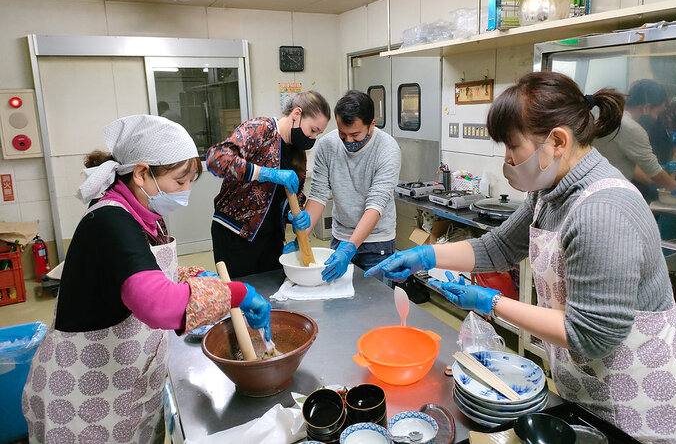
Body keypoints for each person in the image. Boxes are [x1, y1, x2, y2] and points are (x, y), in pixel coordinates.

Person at [366, 72, 676, 442]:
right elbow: (498, 247)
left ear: (558, 141)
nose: (508, 159)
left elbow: (591, 334)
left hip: (636, 400)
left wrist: (491, 302)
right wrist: (426, 255)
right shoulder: (548, 192)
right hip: (587, 385)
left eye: (512, 147)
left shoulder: (603, 211)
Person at [22, 115, 271, 444]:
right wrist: (236, 293)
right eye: (180, 181)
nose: (184, 193)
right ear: (142, 173)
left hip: (123, 389)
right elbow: (157, 305)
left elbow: (147, 272)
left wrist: (199, 277)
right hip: (83, 404)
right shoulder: (110, 222)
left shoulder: (145, 217)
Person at [206, 91, 330, 277]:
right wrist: (266, 173)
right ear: (297, 114)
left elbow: (291, 196)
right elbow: (217, 160)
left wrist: (295, 214)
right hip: (235, 234)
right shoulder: (261, 129)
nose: (312, 138)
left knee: (272, 295)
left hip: (271, 239)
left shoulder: (298, 154)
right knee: (243, 296)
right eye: (313, 130)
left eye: (318, 134)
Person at [286, 90, 401, 284]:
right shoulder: (327, 145)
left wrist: (350, 248)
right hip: (339, 238)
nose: (348, 141)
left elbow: (376, 204)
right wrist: (301, 238)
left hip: (376, 243)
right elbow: (318, 194)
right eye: (342, 133)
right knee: (338, 304)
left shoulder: (387, 149)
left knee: (376, 307)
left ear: (372, 125)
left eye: (355, 134)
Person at [593, 79, 676, 201]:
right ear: (646, 107)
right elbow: (653, 171)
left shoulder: (607, 116)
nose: (656, 118)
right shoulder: (630, 128)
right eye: (657, 112)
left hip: (598, 188)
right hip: (610, 194)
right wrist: (675, 189)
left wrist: (663, 168)